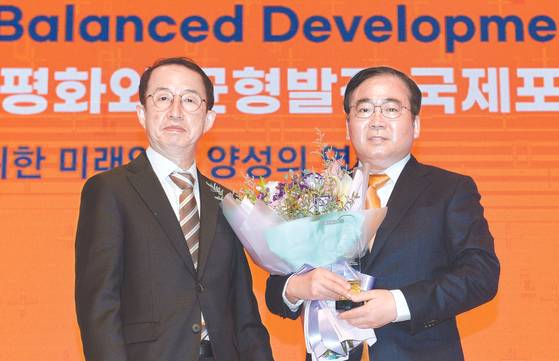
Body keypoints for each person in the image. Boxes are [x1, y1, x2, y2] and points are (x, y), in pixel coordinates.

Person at [265, 66, 500, 361]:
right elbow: (276, 292)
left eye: (391, 108)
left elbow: (480, 275)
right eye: (364, 109)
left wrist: (398, 304)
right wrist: (297, 287)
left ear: (415, 125)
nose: (376, 121)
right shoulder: (317, 193)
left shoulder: (449, 189)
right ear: (348, 124)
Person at [75, 57, 274, 361]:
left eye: (190, 100)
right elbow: (99, 306)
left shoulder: (227, 201)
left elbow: (244, 310)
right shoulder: (109, 191)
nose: (175, 111)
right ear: (141, 113)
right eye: (163, 98)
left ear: (209, 119)